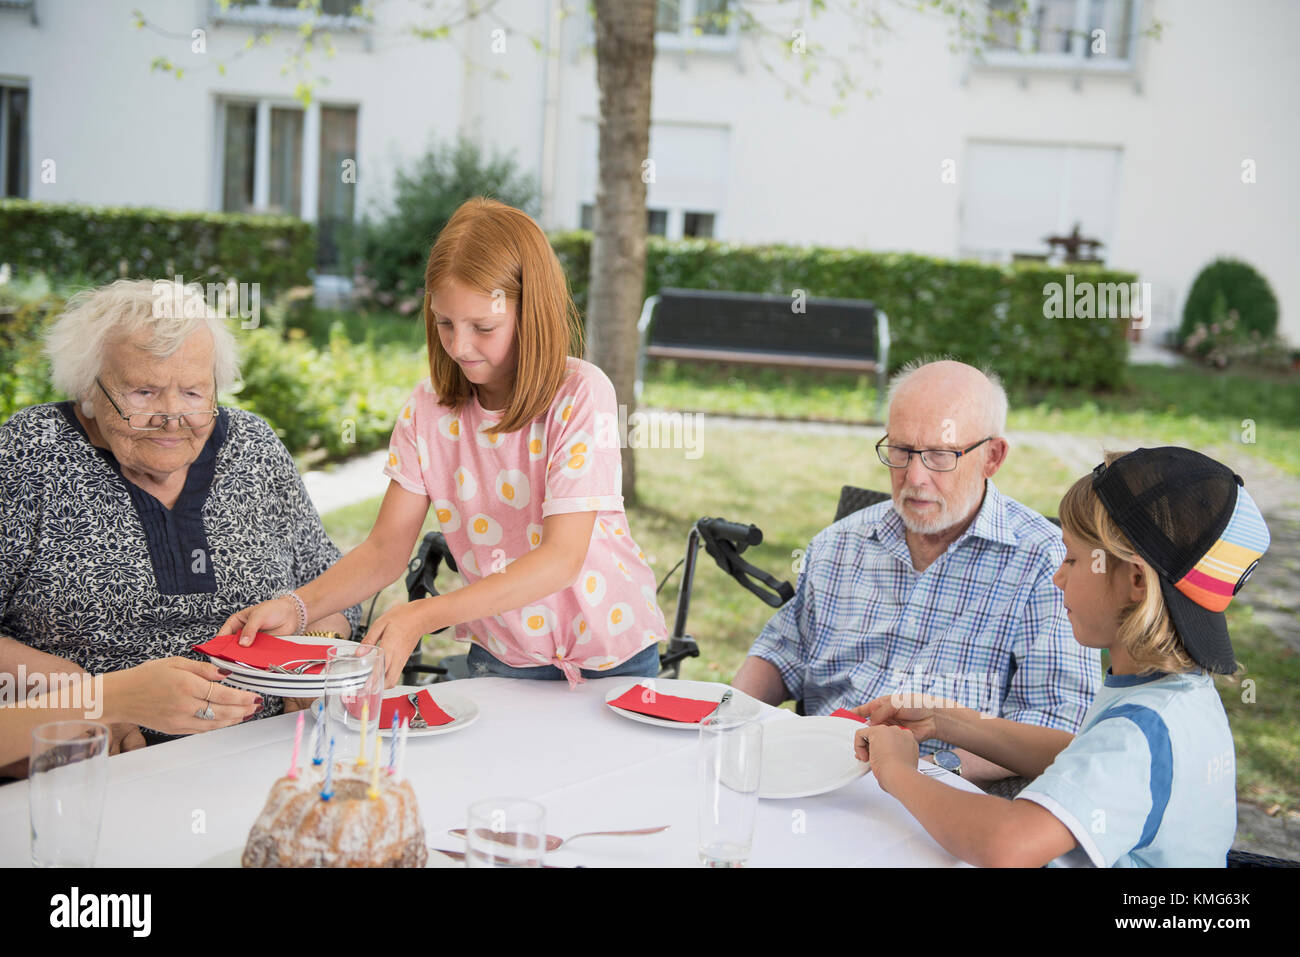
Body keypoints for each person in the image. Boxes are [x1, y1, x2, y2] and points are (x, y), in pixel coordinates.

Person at [223, 197, 669, 688]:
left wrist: (424, 614)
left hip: (614, 654)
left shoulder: (581, 393)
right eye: (445, 323)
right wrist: (298, 607)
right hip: (503, 655)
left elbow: (561, 558)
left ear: (533, 314)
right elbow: (384, 550)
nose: (459, 346)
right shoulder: (427, 411)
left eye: (484, 327)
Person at [0, 278, 359, 758]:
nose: (172, 416)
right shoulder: (29, 453)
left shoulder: (251, 447)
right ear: (89, 388)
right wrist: (88, 699)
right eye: (144, 392)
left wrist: (312, 660)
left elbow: (335, 591)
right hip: (104, 760)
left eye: (193, 392)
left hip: (266, 749)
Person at [855, 448, 1266, 867]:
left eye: (1072, 558)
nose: (1058, 575)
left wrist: (898, 772)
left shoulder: (1142, 731)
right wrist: (946, 720)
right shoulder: (1171, 692)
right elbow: (1078, 755)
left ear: (1136, 581)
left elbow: (1006, 845)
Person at [732, 359, 1100, 785]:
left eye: (940, 455)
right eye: (902, 451)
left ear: (992, 457)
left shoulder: (1046, 563)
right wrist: (729, 724)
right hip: (816, 775)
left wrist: (933, 771)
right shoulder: (838, 545)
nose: (915, 477)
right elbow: (780, 654)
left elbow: (1057, 724)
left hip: (945, 798)